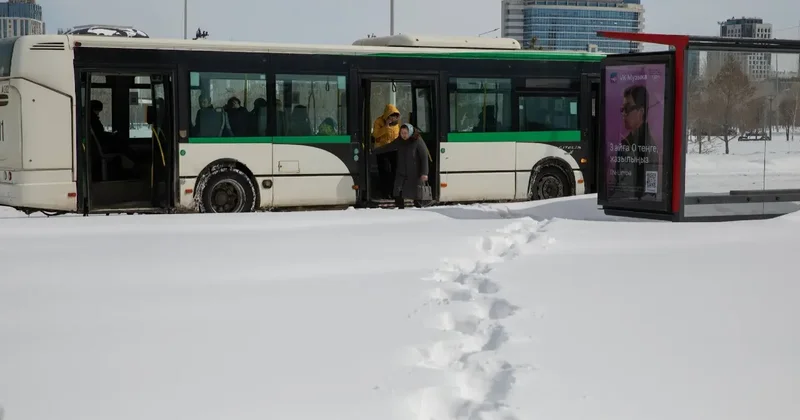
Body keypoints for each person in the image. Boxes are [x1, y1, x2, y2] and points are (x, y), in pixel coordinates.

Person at [373, 123, 429, 209]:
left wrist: (424, 173)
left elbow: (424, 156)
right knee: (397, 190)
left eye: (405, 133)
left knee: (417, 193)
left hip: (414, 171)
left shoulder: (417, 140)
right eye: (402, 133)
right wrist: (374, 151)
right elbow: (388, 147)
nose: (404, 135)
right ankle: (400, 209)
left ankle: (419, 210)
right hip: (401, 171)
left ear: (410, 132)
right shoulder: (399, 141)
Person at [372, 104, 401, 198]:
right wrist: (386, 126)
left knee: (394, 171)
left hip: (394, 150)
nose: (393, 118)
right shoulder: (379, 121)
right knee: (385, 171)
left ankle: (394, 192)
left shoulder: (397, 124)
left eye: (395, 116)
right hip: (382, 150)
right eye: (391, 116)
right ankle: (385, 192)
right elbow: (375, 135)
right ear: (387, 115)